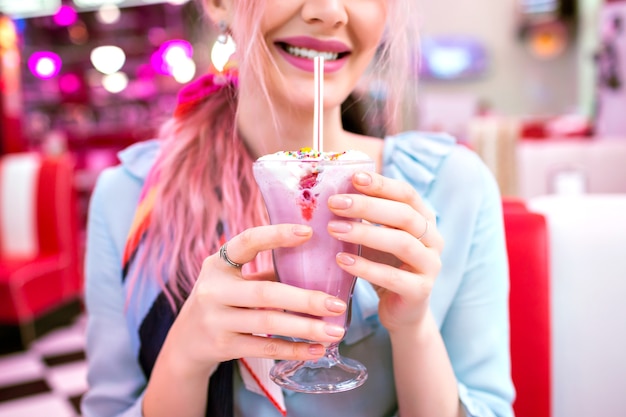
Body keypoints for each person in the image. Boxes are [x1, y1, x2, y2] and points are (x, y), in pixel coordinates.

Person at [81, 0, 514, 416]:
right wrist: (185, 358)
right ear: (217, 2)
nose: (328, 10)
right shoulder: (131, 199)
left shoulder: (453, 187)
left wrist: (413, 328)